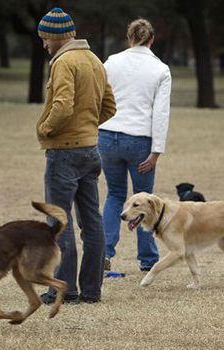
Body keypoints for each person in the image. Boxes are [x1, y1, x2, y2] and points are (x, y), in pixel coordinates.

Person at [36, 8, 116, 304]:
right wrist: (88, 127)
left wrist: (45, 129)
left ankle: (64, 289)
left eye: (45, 38)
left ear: (57, 37)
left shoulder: (64, 62)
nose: (44, 44)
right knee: (91, 221)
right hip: (90, 150)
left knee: (59, 221)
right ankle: (92, 291)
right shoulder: (94, 60)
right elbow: (109, 106)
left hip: (64, 152)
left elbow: (63, 104)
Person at [99, 18, 171, 272]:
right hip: (139, 140)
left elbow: (99, 97)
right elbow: (160, 113)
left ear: (128, 38)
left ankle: (103, 253)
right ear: (151, 39)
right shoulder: (160, 69)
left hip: (107, 135)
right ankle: (148, 259)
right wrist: (156, 151)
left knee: (115, 195)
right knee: (146, 203)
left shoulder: (111, 62)